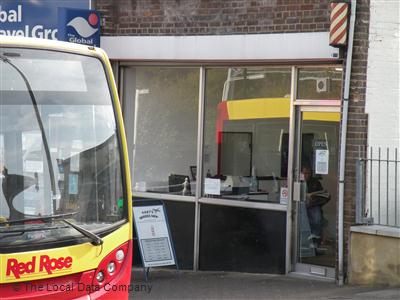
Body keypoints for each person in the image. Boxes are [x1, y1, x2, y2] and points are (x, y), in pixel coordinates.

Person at [301, 166, 330, 249]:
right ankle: (305, 240)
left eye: (308, 173)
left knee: (317, 217)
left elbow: (321, 196)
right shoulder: (297, 181)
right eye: (304, 173)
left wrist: (312, 199)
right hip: (301, 205)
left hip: (313, 205)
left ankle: (315, 240)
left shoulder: (315, 182)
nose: (306, 175)